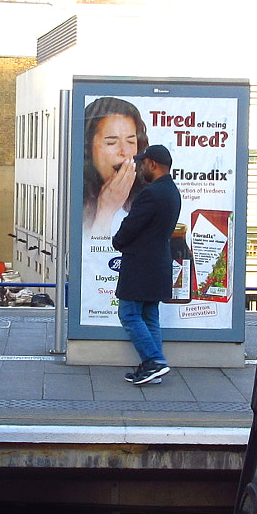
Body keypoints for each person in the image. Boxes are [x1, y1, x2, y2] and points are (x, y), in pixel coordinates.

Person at [109, 144, 181, 385]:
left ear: (152, 164)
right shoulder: (172, 191)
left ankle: (154, 361)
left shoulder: (151, 194)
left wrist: (117, 241)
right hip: (158, 263)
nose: (140, 168)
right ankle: (153, 369)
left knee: (129, 313)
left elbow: (132, 225)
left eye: (143, 163)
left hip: (140, 265)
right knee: (150, 315)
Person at [82, 97, 144, 235]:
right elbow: (89, 250)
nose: (124, 152)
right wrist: (106, 210)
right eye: (111, 142)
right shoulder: (74, 197)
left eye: (131, 142)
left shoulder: (148, 198)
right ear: (88, 147)